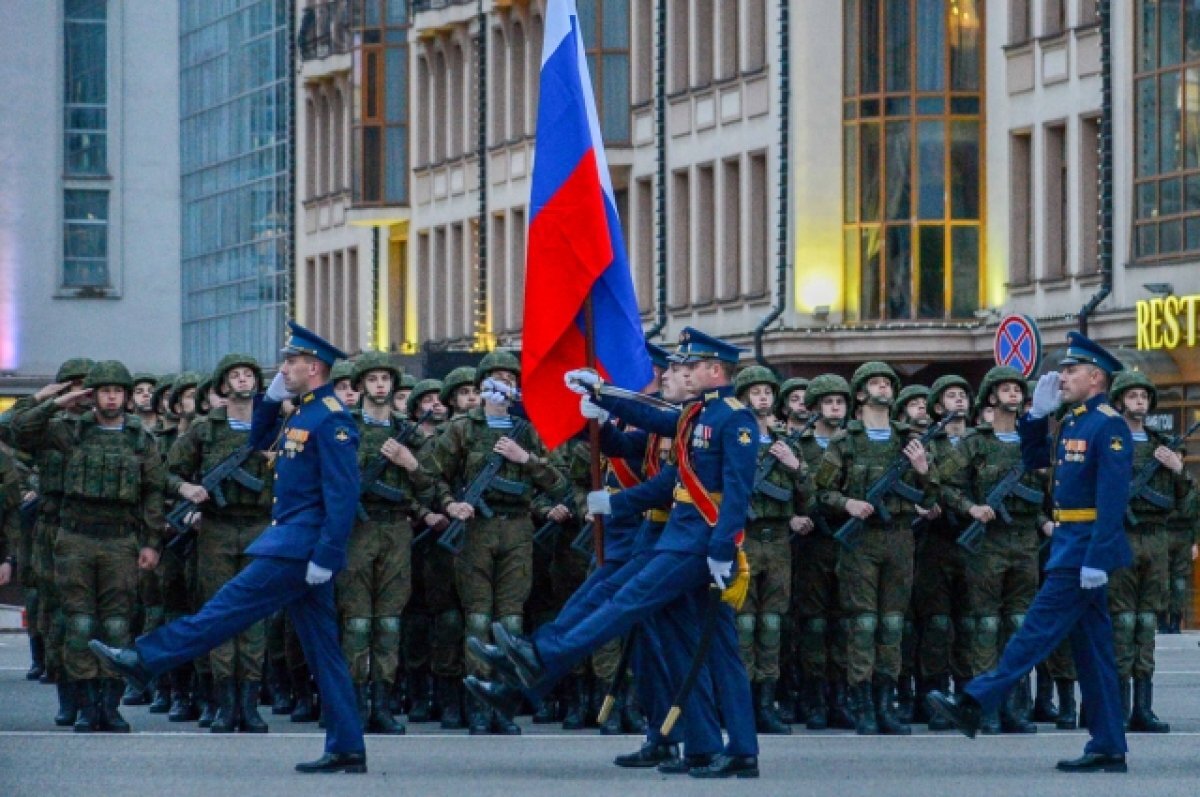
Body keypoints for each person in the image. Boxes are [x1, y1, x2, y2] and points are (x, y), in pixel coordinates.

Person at [90, 321, 368, 774]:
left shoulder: (332, 417)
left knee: (223, 611)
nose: (284, 367)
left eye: (292, 362)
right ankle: (347, 746)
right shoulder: (304, 411)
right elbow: (259, 443)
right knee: (325, 652)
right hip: (294, 544)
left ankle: (145, 659)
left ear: (314, 367)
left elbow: (342, 495)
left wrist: (327, 556)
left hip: (298, 549)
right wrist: (273, 399)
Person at [928, 331, 1135, 773]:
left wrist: (1099, 558)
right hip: (1069, 546)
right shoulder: (1076, 421)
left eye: (1072, 370)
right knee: (1094, 653)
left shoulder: (1109, 425)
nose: (1063, 377)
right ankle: (1109, 744)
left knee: (1033, 633)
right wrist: (1037, 416)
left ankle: (975, 702)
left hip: (1083, 555)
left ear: (1096, 378)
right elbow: (1035, 461)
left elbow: (1113, 499)